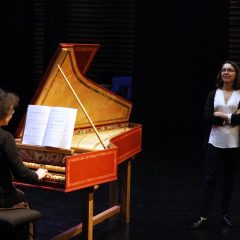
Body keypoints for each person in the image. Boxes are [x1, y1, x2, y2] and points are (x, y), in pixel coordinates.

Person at [190, 60, 240, 229]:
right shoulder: (213, 94)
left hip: (234, 144)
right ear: (220, 74)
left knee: (229, 181)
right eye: (224, 70)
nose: (226, 72)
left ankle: (224, 215)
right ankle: (204, 216)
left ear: (236, 74)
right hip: (214, 142)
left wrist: (220, 114)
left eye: (230, 70)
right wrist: (231, 118)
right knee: (209, 179)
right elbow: (206, 117)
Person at [0, 88, 48, 239]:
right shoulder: (5, 138)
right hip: (2, 199)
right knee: (22, 197)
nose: (12, 112)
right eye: (10, 109)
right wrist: (37, 175)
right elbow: (21, 173)